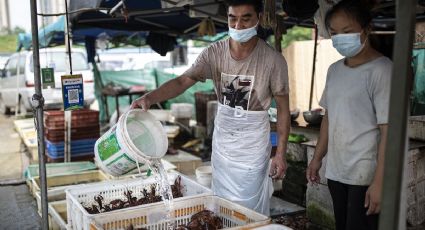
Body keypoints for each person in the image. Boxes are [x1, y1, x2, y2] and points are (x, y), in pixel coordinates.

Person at [131, 0, 290, 215]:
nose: (238, 26)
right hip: (224, 140)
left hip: (252, 144)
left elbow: (283, 110)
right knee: (221, 203)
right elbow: (182, 81)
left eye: (246, 19)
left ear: (258, 19)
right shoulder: (214, 53)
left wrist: (280, 153)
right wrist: (149, 98)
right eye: (233, 18)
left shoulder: (273, 60)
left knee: (249, 207)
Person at [306, 0, 392, 230]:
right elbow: (329, 118)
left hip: (366, 176)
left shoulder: (382, 70)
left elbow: (388, 131)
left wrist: (380, 182)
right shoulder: (334, 70)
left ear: (367, 29)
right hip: (337, 172)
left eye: (347, 31)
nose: (340, 38)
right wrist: (317, 159)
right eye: (334, 33)